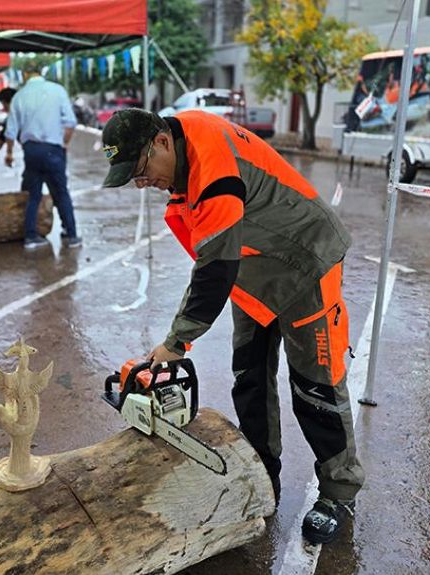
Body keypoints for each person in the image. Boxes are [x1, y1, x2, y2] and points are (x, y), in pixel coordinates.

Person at [100, 109, 365, 545]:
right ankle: (263, 473)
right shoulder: (182, 157)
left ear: (162, 143)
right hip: (255, 269)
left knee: (315, 385)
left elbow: (214, 268)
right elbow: (214, 259)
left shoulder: (211, 161)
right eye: (134, 178)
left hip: (305, 261)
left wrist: (176, 342)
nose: (142, 183)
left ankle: (339, 491)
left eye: (143, 171)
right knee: (250, 376)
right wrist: (175, 339)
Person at [4, 61, 81, 249]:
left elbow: (10, 131)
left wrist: (9, 153)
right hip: (53, 149)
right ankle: (71, 235)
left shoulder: (19, 96)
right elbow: (70, 122)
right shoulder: (57, 90)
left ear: (24, 75)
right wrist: (64, 144)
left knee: (33, 195)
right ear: (40, 72)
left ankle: (31, 236)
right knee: (61, 192)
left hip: (30, 150)